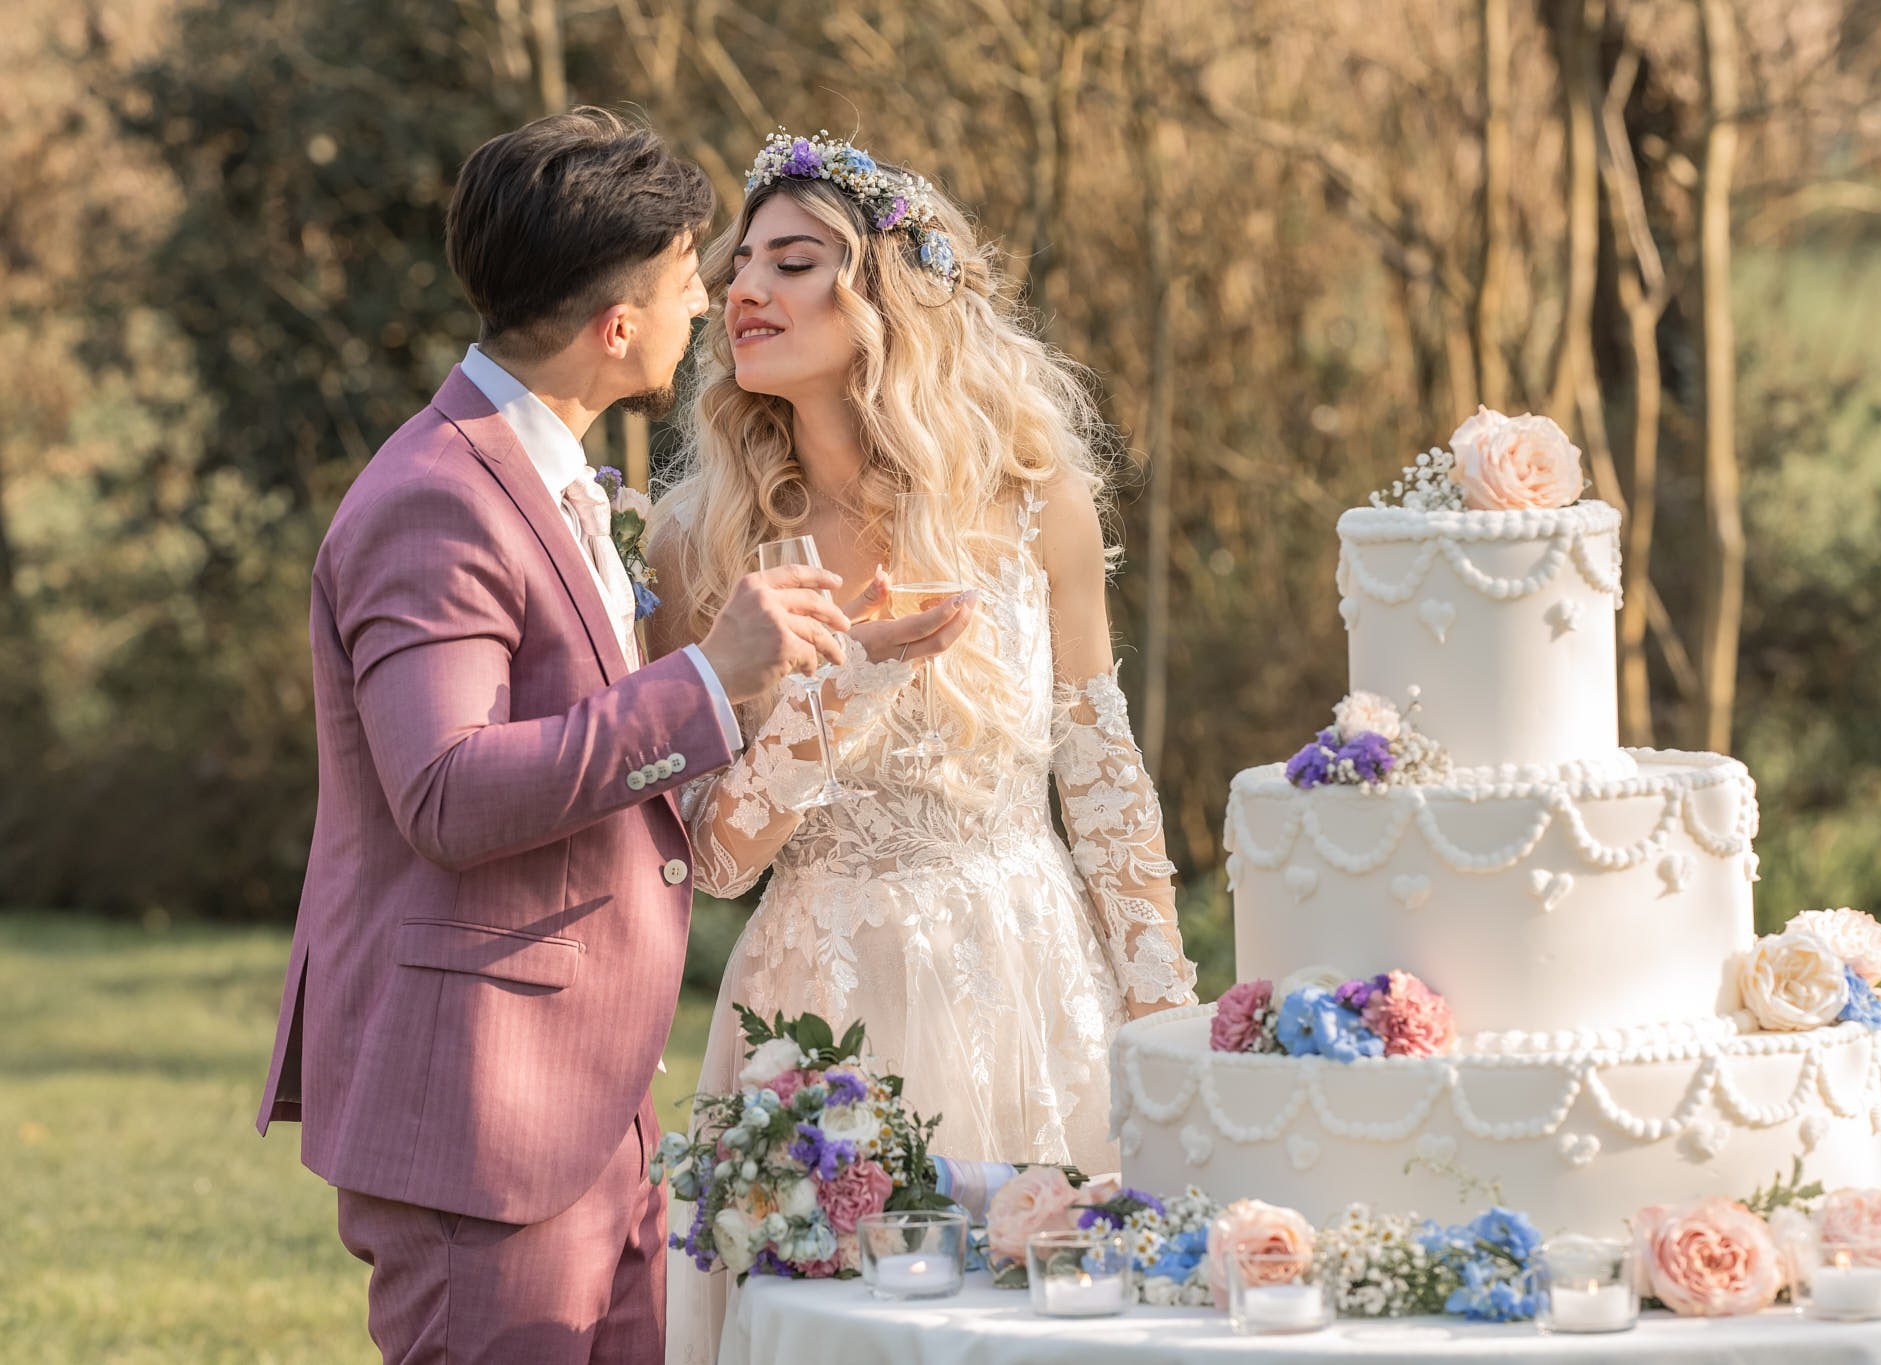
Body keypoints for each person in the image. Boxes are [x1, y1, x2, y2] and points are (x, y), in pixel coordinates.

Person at [254, 108, 973, 1365]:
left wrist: (797, 670)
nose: (714, 306)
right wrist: (705, 677)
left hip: (589, 1113)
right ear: (619, 325)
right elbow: (448, 792)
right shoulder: (434, 499)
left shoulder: (553, 478)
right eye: (692, 281)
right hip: (481, 1124)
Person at [649, 131, 1199, 1361]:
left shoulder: (1030, 497)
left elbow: (1100, 778)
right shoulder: (700, 541)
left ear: (887, 291)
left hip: (1031, 975)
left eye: (793, 264)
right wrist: (846, 684)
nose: (745, 292)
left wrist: (1163, 1021)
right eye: (740, 269)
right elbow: (719, 856)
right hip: (822, 1003)